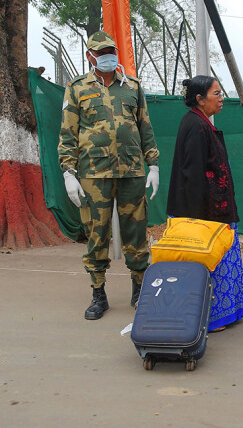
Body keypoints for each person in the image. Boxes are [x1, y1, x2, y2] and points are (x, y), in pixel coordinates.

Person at [58, 31, 160, 320]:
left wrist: (153, 166)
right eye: (101, 53)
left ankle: (139, 290)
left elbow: (145, 128)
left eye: (110, 51)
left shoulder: (132, 87)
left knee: (136, 233)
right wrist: (68, 172)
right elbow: (67, 134)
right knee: (96, 233)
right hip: (94, 174)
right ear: (90, 56)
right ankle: (98, 294)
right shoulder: (77, 88)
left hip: (132, 172)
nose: (107, 57)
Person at [167, 75, 243, 331]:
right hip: (206, 214)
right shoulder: (195, 125)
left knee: (224, 260)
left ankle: (227, 314)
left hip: (218, 210)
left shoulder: (202, 122)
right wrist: (196, 220)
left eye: (221, 93)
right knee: (209, 261)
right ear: (200, 100)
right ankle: (211, 318)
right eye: (216, 94)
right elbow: (192, 174)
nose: (221, 97)